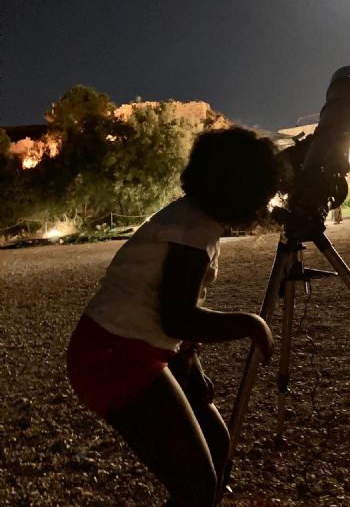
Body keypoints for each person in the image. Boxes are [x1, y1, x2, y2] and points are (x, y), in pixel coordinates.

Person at [67, 127, 279, 507]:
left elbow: (165, 313)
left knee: (216, 445)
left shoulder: (195, 218)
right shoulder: (193, 230)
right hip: (113, 355)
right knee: (195, 485)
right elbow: (177, 318)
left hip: (124, 346)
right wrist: (250, 324)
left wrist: (184, 358)